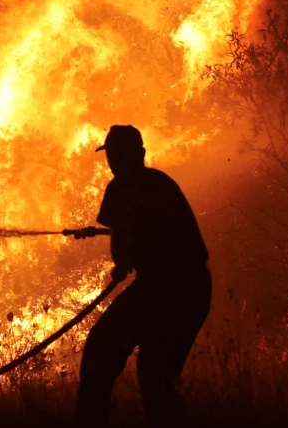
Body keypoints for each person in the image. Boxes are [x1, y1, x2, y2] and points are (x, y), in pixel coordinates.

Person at [72, 125, 212, 427]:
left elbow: (122, 252)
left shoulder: (121, 187)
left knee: (100, 351)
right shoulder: (160, 182)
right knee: (156, 377)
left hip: (163, 289)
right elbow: (153, 229)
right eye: (111, 155)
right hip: (195, 289)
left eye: (114, 155)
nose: (112, 161)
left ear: (136, 155)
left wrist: (121, 263)